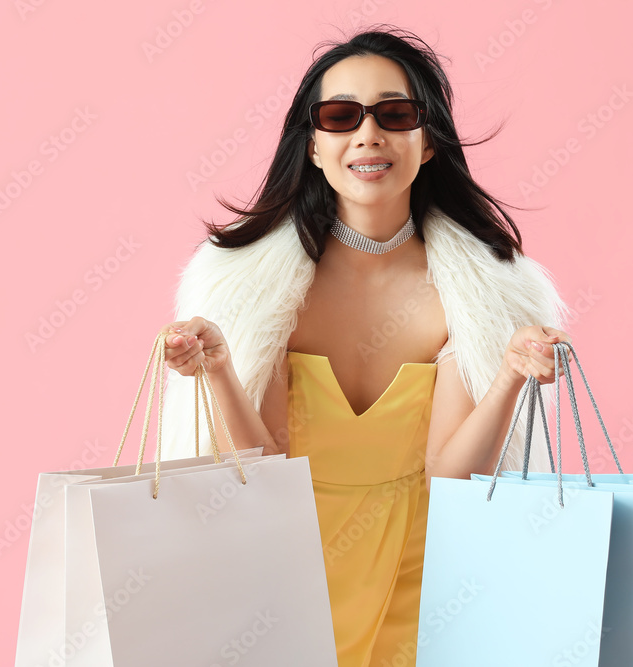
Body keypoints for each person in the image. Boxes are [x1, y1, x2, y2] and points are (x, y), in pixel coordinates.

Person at [157, 26, 571, 667]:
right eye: (341, 116)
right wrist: (217, 372)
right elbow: (260, 465)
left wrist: (510, 377)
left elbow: (449, 475)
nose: (368, 135)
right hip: (280, 583)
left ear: (428, 142)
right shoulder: (255, 289)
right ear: (314, 145)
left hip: (425, 585)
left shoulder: (479, 292)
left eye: (396, 114)